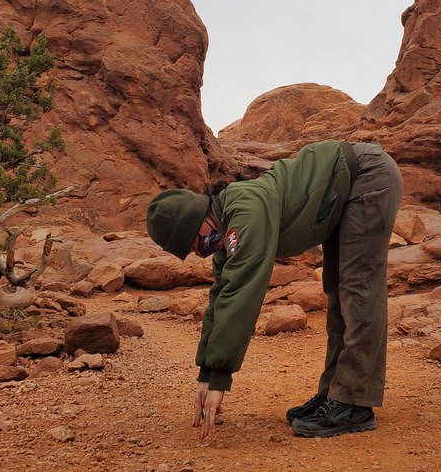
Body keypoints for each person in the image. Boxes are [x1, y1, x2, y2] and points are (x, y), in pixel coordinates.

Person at [146, 139, 403, 440]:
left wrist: (221, 377)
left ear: (201, 217)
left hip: (366, 176)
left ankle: (353, 402)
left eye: (195, 242)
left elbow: (242, 288)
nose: (200, 251)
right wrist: (207, 372)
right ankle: (335, 393)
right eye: (193, 252)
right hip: (341, 192)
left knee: (358, 291)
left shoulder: (244, 208)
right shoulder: (225, 227)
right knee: (338, 293)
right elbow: (221, 295)